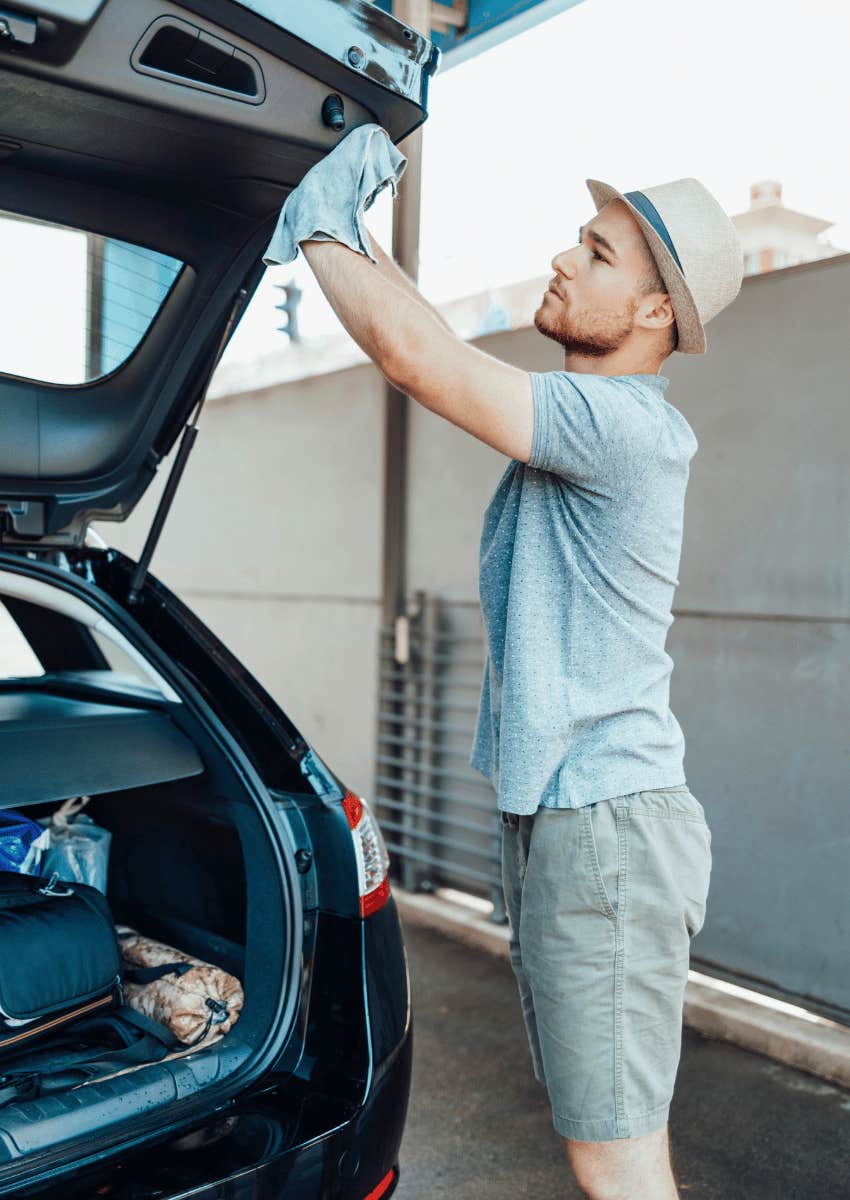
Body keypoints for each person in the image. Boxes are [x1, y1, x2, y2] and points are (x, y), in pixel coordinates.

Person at [298, 172, 743, 1199]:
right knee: (598, 1138)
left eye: (594, 253)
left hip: (608, 834)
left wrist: (313, 214)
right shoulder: (597, 416)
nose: (561, 258)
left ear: (651, 312)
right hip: (570, 825)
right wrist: (353, 226)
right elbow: (426, 338)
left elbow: (415, 358)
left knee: (619, 1163)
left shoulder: (620, 427)